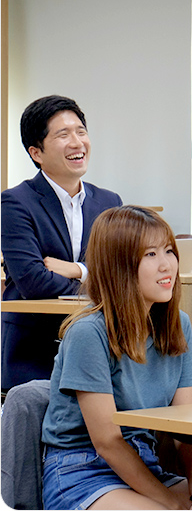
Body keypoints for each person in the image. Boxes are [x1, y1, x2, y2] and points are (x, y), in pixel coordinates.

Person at [41, 206, 192, 510]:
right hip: (81, 472)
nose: (167, 265)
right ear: (118, 265)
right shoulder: (88, 333)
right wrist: (173, 505)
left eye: (169, 251)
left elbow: (187, 430)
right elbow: (107, 442)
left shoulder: (178, 324)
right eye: (151, 254)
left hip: (144, 466)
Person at [2, 95, 122, 390]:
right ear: (36, 152)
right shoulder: (15, 203)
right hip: (34, 352)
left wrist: (76, 270)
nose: (77, 142)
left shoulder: (109, 202)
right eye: (63, 135)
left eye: (81, 131)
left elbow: (122, 273)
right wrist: (98, 282)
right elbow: (33, 282)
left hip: (98, 350)